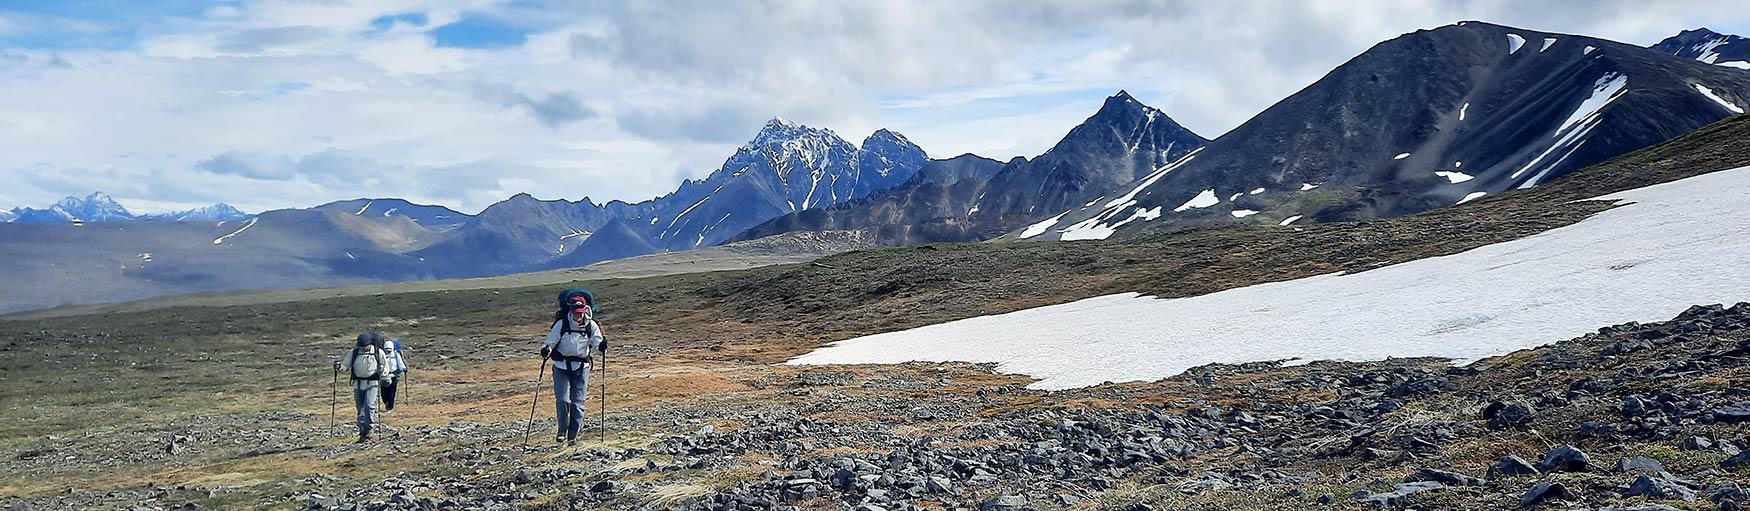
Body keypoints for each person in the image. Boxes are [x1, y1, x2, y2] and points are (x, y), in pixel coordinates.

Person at [541, 293, 606, 446]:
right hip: (561, 366)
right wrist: (546, 350)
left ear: (585, 310)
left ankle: (573, 437)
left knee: (578, 403)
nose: (578, 316)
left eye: (580, 313)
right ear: (570, 310)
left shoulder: (591, 325)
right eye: (575, 313)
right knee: (563, 399)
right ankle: (562, 430)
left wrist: (602, 347)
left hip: (581, 367)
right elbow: (550, 342)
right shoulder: (562, 324)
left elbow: (598, 346)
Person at [335, 331, 390, 443]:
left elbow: (385, 367)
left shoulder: (378, 353)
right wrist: (339, 367)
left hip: (372, 384)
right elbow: (346, 366)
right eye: (361, 346)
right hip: (358, 384)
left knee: (369, 407)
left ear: (370, 344)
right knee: (360, 409)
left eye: (365, 346)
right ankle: (363, 432)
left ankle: (369, 430)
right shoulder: (354, 352)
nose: (364, 348)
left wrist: (382, 373)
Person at [380, 337, 408, 413]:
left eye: (389, 350)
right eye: (386, 350)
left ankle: (390, 407)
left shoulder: (396, 355)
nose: (388, 352)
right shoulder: (381, 355)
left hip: (394, 376)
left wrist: (404, 369)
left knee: (392, 392)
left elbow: (400, 363)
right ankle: (386, 402)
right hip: (384, 376)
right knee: (383, 392)